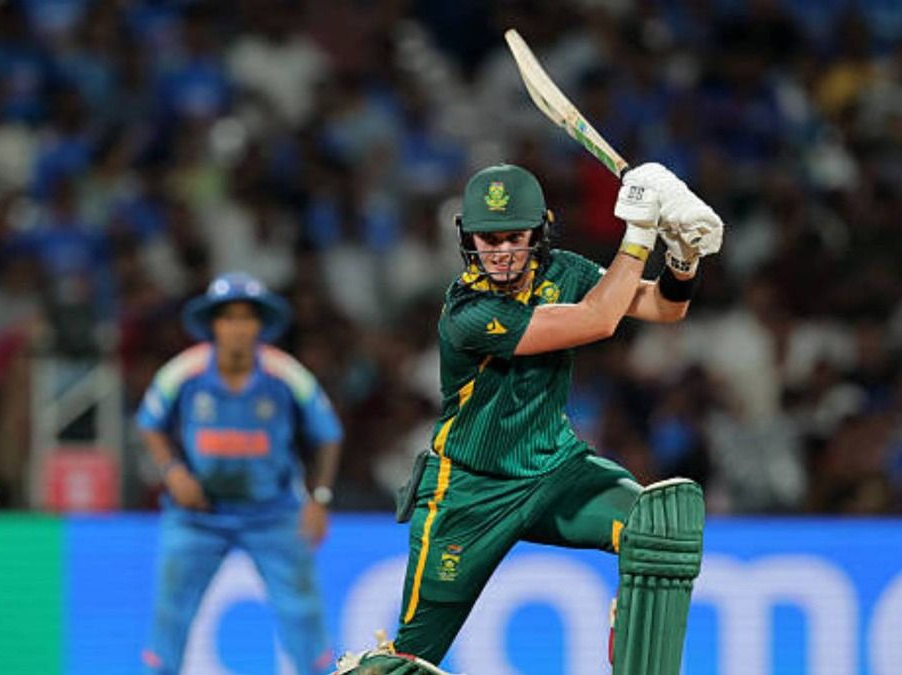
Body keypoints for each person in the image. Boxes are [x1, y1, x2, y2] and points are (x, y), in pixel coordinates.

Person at [335, 163, 723, 675]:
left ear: (539, 231)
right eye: (487, 238)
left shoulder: (563, 271)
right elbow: (597, 319)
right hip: (468, 491)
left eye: (513, 237)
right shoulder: (467, 312)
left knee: (656, 531)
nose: (499, 252)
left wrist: (683, 257)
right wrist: (642, 228)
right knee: (406, 665)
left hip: (555, 471)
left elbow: (663, 308)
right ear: (467, 238)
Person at [138, 272, 343, 675]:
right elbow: (149, 422)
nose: (237, 328)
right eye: (227, 318)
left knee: (302, 615)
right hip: (198, 517)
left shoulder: (287, 373)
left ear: (260, 326)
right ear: (213, 325)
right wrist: (172, 470)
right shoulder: (185, 371)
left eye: (247, 318)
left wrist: (319, 499)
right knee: (170, 612)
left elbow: (329, 434)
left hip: (274, 514)